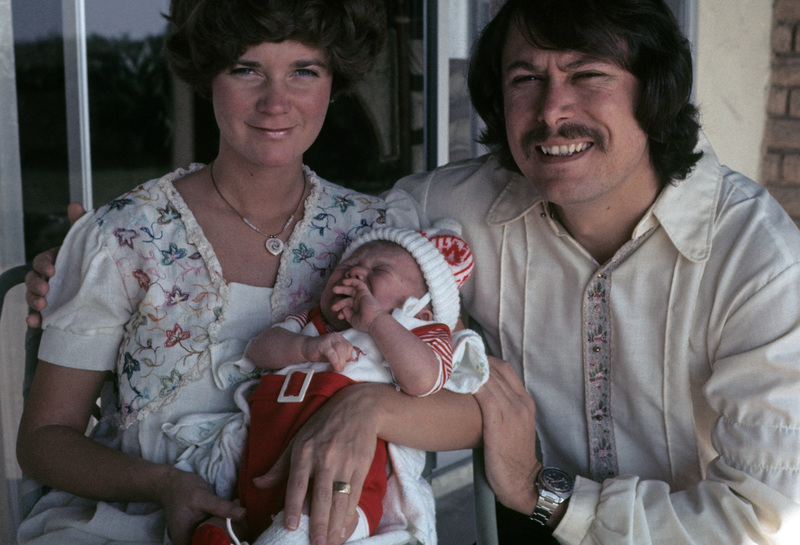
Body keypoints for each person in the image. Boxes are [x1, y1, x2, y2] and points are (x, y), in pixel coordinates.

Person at [14, 2, 482, 545]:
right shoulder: (123, 237)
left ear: (334, 80)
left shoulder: (380, 239)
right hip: (140, 520)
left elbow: (468, 410)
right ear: (208, 74)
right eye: (246, 70)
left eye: (304, 71)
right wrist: (163, 485)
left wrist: (369, 410)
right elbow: (44, 439)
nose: (275, 102)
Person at [392, 0, 800, 543]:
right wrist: (368, 403)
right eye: (525, 79)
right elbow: (362, 233)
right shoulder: (457, 211)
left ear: (654, 92)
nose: (551, 111)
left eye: (587, 74)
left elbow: (763, 519)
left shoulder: (757, 262)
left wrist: (540, 492)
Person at [179, 224, 486, 545]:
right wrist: (304, 347)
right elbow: (258, 350)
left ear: (420, 311)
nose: (354, 272)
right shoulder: (312, 322)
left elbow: (424, 380)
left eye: (378, 270)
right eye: (347, 266)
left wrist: (377, 322)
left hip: (339, 483)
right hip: (262, 465)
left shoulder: (415, 331)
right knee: (218, 524)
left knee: (307, 524)